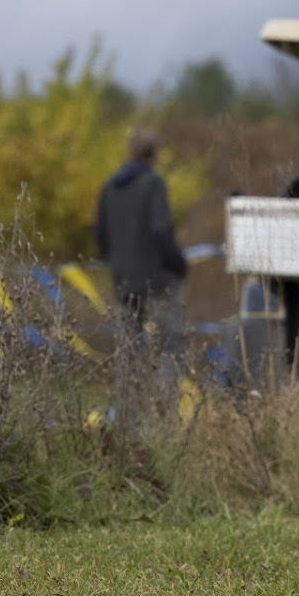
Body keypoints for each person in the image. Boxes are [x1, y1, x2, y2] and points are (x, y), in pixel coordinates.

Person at [94, 127, 189, 426]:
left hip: (123, 281)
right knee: (170, 346)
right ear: (154, 154)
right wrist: (177, 263)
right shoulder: (153, 184)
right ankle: (166, 419)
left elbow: (100, 236)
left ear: (130, 151)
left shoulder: (109, 187)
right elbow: (160, 229)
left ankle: (130, 422)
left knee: (129, 352)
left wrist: (117, 264)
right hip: (157, 281)